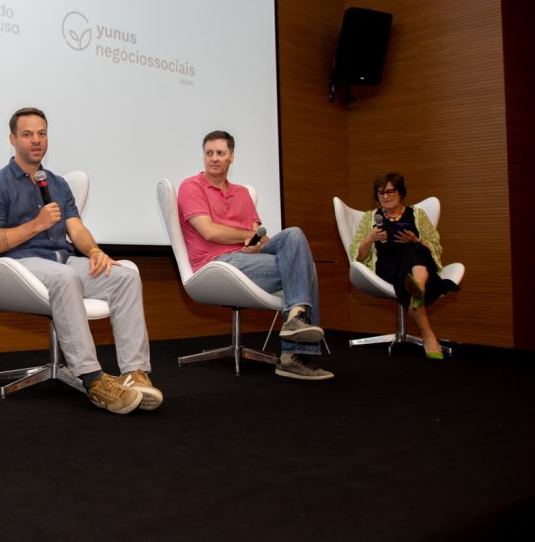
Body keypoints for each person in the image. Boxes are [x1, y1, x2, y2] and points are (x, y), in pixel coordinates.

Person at [0, 107, 162, 415]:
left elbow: (76, 229)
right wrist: (36, 224)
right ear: (13, 139)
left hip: (63, 260)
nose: (36, 140)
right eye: (27, 134)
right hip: (20, 265)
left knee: (125, 275)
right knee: (66, 278)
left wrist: (95, 252)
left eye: (42, 133)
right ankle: (93, 379)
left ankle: (135, 372)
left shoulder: (57, 184)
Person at [177, 130, 334, 380]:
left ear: (232, 157)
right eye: (209, 153)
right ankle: (292, 355)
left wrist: (257, 244)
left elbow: (256, 236)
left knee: (294, 235)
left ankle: (295, 317)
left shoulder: (241, 193)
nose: (214, 158)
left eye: (220, 153)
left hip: (247, 258)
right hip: (216, 264)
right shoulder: (191, 186)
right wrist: (246, 238)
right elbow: (209, 232)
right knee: (305, 268)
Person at [348, 172, 459, 360]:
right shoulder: (369, 218)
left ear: (401, 193)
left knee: (413, 248)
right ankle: (425, 320)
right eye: (381, 193)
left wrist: (415, 239)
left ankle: (418, 288)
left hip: (415, 266)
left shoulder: (417, 214)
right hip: (387, 269)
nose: (386, 196)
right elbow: (357, 257)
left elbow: (435, 245)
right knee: (409, 259)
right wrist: (370, 238)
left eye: (390, 192)